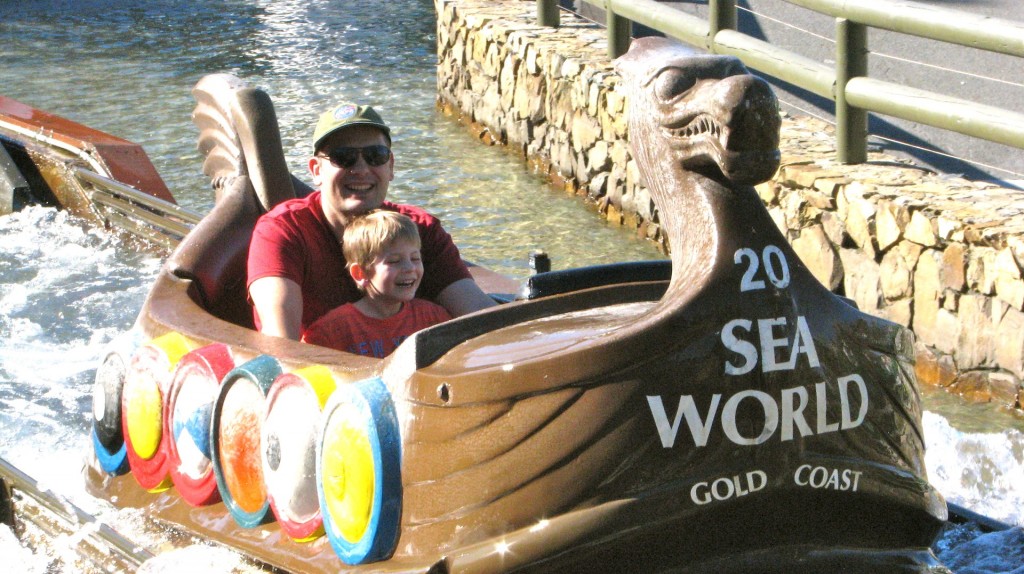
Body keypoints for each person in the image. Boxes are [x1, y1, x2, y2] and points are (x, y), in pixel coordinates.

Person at [247, 102, 496, 339]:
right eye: (343, 157)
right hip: (321, 376)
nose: (361, 168)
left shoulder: (420, 227)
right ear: (316, 170)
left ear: (391, 166)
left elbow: (479, 315)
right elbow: (280, 342)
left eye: (375, 155)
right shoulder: (283, 231)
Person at [300, 210, 450, 357]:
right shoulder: (331, 331)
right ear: (360, 273)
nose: (410, 268)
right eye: (394, 261)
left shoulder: (433, 318)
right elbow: (301, 371)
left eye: (415, 259)